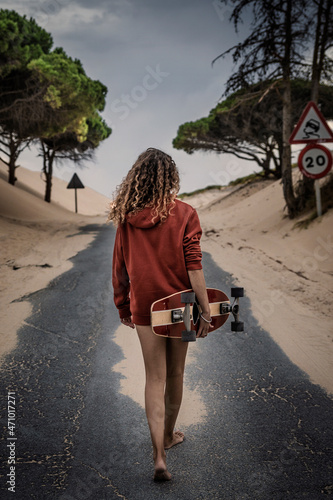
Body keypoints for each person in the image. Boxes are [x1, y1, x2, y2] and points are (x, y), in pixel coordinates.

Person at [109, 148, 212, 482]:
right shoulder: (185, 213)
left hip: (144, 308)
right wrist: (206, 309)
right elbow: (194, 265)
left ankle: (158, 456)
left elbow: (119, 270)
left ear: (136, 178)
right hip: (181, 306)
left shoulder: (126, 218)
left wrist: (123, 306)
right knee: (176, 374)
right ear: (171, 177)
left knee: (154, 378)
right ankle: (168, 435)